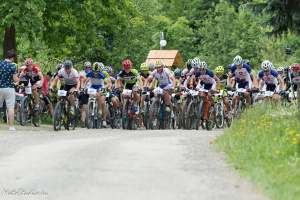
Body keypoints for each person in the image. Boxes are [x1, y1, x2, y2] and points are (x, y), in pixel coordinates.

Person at [0, 50, 19, 131]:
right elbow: (15, 80)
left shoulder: (0, 63)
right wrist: (19, 78)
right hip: (9, 88)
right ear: (12, 57)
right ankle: (11, 126)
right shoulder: (12, 66)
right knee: (10, 108)